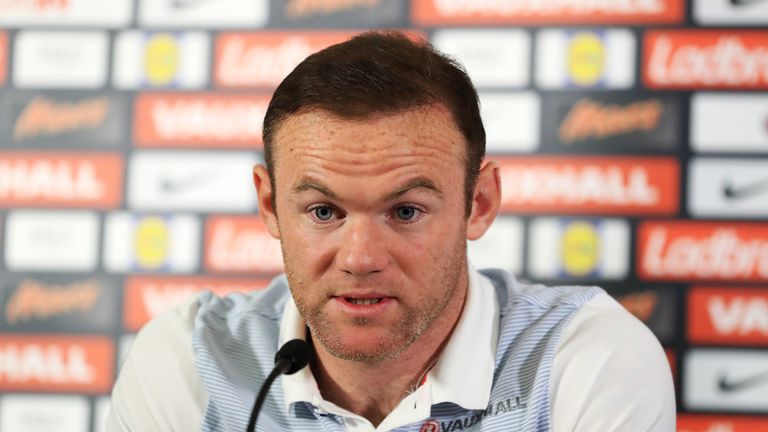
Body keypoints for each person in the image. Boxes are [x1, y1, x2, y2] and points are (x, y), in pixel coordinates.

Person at [108, 31, 675, 431]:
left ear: (478, 203)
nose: (360, 258)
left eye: (405, 211)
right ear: (270, 204)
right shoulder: (188, 359)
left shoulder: (585, 360)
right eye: (324, 212)